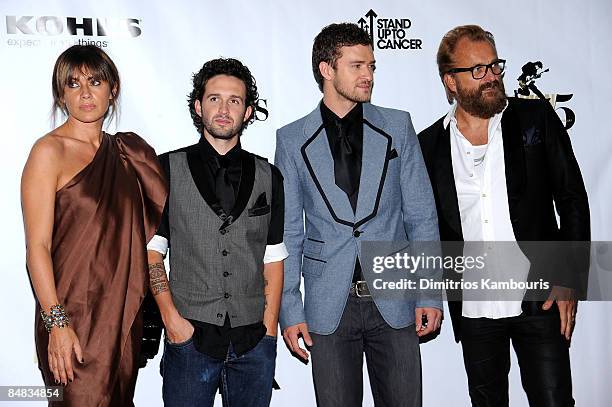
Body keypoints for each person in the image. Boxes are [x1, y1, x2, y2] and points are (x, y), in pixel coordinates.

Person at [417, 25, 590, 406]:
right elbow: (422, 226)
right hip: (474, 309)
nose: (492, 77)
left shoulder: (535, 119)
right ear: (450, 81)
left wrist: (568, 277)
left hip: (540, 297)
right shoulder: (427, 146)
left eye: (495, 66)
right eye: (477, 70)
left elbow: (571, 197)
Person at [275, 23, 442, 406]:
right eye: (356, 65)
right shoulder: (291, 139)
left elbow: (421, 215)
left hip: (395, 301)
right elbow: (288, 233)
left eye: (371, 65)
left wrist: (430, 293)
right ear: (326, 69)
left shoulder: (398, 127)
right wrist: (290, 308)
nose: (367, 75)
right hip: (327, 303)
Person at [21, 44, 167, 406]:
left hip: (121, 317)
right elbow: (36, 247)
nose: (85, 93)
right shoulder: (48, 152)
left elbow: (147, 237)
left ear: (112, 88)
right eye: (73, 84)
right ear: (61, 94)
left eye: (95, 81)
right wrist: (56, 323)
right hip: (69, 316)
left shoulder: (131, 154)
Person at [146, 58, 286, 407]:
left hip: (253, 343)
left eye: (234, 100)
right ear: (198, 106)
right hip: (190, 341)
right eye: (214, 98)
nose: (224, 109)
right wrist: (171, 321)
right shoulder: (165, 169)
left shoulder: (269, 176)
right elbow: (151, 252)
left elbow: (273, 258)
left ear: (249, 111)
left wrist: (269, 331)